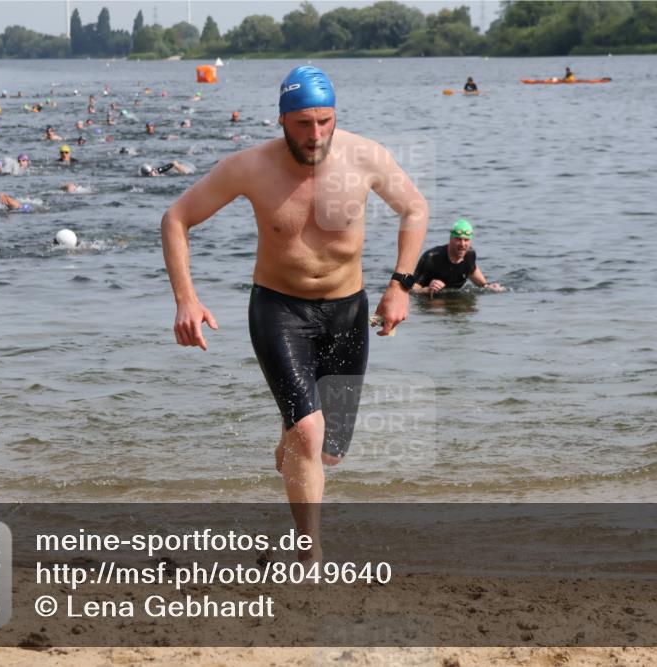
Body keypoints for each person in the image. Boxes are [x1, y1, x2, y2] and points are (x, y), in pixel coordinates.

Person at [161, 65, 427, 563]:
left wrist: (400, 286)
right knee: (309, 431)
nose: (315, 134)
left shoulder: (366, 157)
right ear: (282, 119)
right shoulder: (249, 167)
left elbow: (414, 208)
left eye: (325, 121)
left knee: (329, 451)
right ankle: (310, 553)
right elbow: (176, 218)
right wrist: (186, 299)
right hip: (278, 308)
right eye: (303, 123)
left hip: (348, 312)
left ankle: (292, 442)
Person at [411, 219, 504, 295]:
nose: (462, 244)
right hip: (432, 301)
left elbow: (475, 274)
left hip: (455, 299)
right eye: (458, 239)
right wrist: (427, 290)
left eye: (466, 240)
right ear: (450, 239)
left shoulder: (470, 255)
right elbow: (412, 289)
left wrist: (489, 287)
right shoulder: (432, 257)